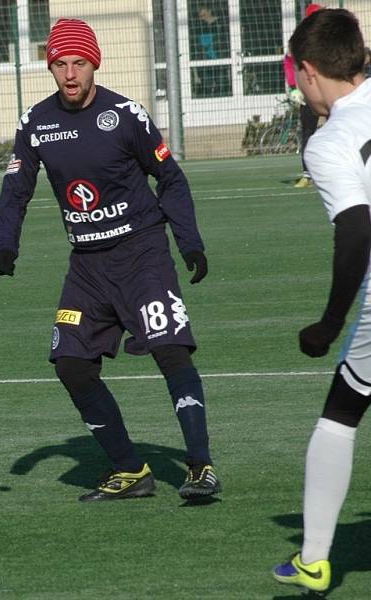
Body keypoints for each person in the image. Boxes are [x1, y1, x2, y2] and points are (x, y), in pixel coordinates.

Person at [0, 18, 220, 503]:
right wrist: (6, 243)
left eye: (78, 63)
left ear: (94, 63)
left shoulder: (124, 115)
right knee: (71, 363)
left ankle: (201, 466)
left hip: (141, 254)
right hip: (88, 266)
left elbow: (171, 179)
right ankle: (130, 470)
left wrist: (189, 243)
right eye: (60, 64)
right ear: (50, 67)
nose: (70, 74)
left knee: (170, 350)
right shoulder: (37, 122)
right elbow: (16, 188)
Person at [272, 8, 371, 594]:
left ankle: (313, 559)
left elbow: (358, 228)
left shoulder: (331, 140)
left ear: (308, 71)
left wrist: (330, 323)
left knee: (341, 411)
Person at [284, 3, 324, 188]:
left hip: (329, 91)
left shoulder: (330, 37)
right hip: (309, 92)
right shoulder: (299, 40)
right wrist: (294, 87)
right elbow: (289, 61)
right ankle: (307, 174)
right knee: (308, 131)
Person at [191, 3, 230, 97]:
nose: (202, 18)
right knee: (207, 88)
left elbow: (225, 43)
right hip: (206, 62)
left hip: (219, 61)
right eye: (200, 16)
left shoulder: (221, 25)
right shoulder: (199, 27)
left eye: (204, 15)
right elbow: (196, 46)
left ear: (210, 12)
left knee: (221, 87)